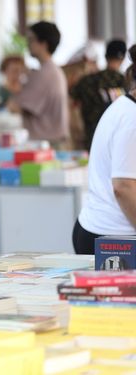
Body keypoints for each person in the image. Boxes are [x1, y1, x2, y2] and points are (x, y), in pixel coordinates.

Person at [72, 45, 136, 255]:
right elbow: (123, 187)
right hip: (115, 239)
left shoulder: (124, 107)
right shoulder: (131, 119)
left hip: (107, 231)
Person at [7, 21, 69, 148]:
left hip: (47, 143)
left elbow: (15, 107)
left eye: (31, 39)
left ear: (43, 44)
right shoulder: (53, 70)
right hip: (53, 140)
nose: (28, 44)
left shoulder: (44, 73)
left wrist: (12, 83)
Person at [70, 39, 127, 151]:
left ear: (105, 56)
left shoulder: (87, 80)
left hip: (92, 140)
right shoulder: (127, 84)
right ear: (123, 58)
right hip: (119, 143)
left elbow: (71, 100)